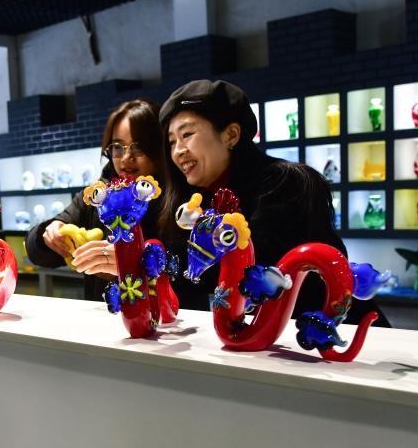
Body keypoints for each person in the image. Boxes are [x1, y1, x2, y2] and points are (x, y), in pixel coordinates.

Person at [158, 79, 386, 324]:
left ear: (231, 135)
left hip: (334, 329)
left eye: (187, 135)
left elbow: (255, 265)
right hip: (269, 335)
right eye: (172, 142)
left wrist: (157, 257)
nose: (178, 151)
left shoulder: (287, 182)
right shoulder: (195, 201)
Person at [24, 99, 165, 301]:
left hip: (168, 315)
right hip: (103, 314)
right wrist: (47, 235)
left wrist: (135, 261)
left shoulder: (173, 199)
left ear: (159, 149)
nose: (126, 157)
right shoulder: (96, 196)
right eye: (118, 147)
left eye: (138, 147)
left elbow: (193, 269)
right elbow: (36, 252)